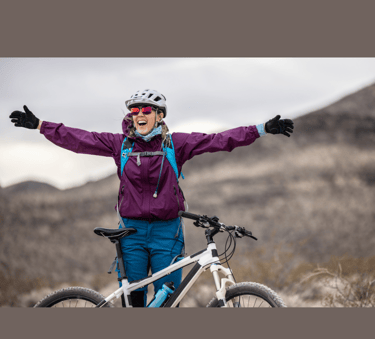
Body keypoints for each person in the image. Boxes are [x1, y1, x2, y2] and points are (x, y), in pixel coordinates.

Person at [9, 89, 294, 307]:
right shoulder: (118, 145)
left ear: (159, 115)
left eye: (146, 109)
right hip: (130, 233)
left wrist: (260, 129)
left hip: (166, 233)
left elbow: (218, 140)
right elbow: (78, 139)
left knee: (167, 301)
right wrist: (40, 125)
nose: (139, 114)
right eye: (134, 110)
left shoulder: (176, 144)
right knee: (134, 301)